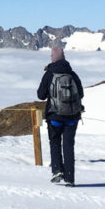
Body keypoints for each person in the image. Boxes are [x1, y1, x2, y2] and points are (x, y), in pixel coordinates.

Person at [37, 46, 84, 186]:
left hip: (55, 116)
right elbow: (81, 94)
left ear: (53, 57)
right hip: (72, 117)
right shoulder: (72, 73)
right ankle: (70, 178)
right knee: (69, 146)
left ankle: (57, 170)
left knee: (55, 142)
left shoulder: (50, 73)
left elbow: (40, 95)